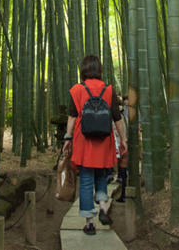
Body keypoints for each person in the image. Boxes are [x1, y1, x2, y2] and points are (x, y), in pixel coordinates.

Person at [62, 55, 127, 236]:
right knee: (101, 174)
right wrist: (123, 140)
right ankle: (103, 208)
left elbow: (72, 117)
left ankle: (90, 223)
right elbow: (117, 118)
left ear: (83, 70)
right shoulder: (108, 89)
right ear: (99, 70)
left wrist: (67, 138)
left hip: (83, 141)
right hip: (104, 141)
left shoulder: (77, 90)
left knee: (86, 179)